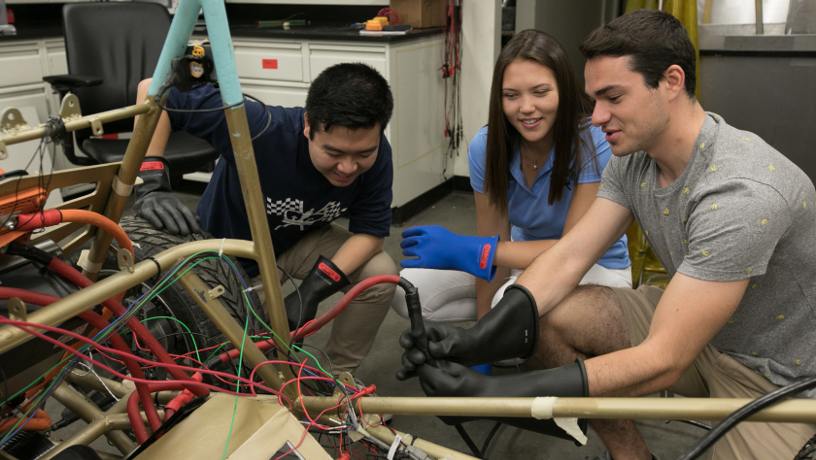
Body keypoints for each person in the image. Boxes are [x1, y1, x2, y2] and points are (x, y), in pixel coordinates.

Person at [398, 9, 816, 460]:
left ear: (672, 81)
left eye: (612, 97)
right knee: (550, 316)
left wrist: (504, 391)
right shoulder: (633, 157)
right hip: (699, 332)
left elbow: (664, 359)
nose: (596, 118)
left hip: (776, 374)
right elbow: (568, 257)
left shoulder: (742, 193)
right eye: (593, 99)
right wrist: (478, 339)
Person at [134, 63, 399, 374]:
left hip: (296, 241)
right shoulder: (260, 128)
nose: (348, 167)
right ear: (307, 126)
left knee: (379, 273)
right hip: (231, 260)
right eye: (334, 153)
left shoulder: (377, 152)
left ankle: (333, 377)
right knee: (237, 372)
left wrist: (312, 290)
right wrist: (151, 179)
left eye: (362, 155)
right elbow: (152, 87)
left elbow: (370, 233)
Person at [393, 30, 631, 334]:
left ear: (564, 90)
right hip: (520, 257)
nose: (526, 107)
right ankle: (509, 337)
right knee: (408, 291)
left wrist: (472, 250)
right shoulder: (488, 145)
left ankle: (520, 335)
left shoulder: (592, 141)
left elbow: (571, 252)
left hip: (596, 269)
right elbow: (492, 247)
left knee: (509, 302)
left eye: (541, 91)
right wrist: (482, 340)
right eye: (511, 95)